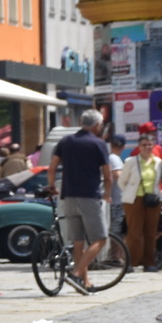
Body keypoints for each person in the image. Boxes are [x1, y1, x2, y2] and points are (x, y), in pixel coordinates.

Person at [45, 109, 115, 293]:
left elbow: (51, 168)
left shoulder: (65, 141)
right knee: (100, 238)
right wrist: (107, 193)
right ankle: (76, 273)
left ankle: (84, 281)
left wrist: (52, 186)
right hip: (89, 195)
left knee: (78, 240)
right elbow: (107, 175)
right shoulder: (98, 143)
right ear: (97, 125)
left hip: (68, 195)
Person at [119, 131, 162, 269]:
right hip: (134, 200)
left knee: (151, 233)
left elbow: (160, 181)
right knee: (134, 233)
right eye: (144, 145)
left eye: (150, 145)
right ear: (139, 146)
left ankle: (149, 263)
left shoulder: (158, 162)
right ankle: (131, 263)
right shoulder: (131, 162)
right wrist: (130, 192)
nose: (147, 147)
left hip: (153, 200)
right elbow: (122, 182)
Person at [107, 134, 127, 238]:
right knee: (117, 233)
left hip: (115, 201)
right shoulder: (114, 158)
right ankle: (116, 254)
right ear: (123, 147)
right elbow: (117, 175)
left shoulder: (110, 157)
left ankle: (117, 253)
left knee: (117, 232)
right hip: (117, 202)